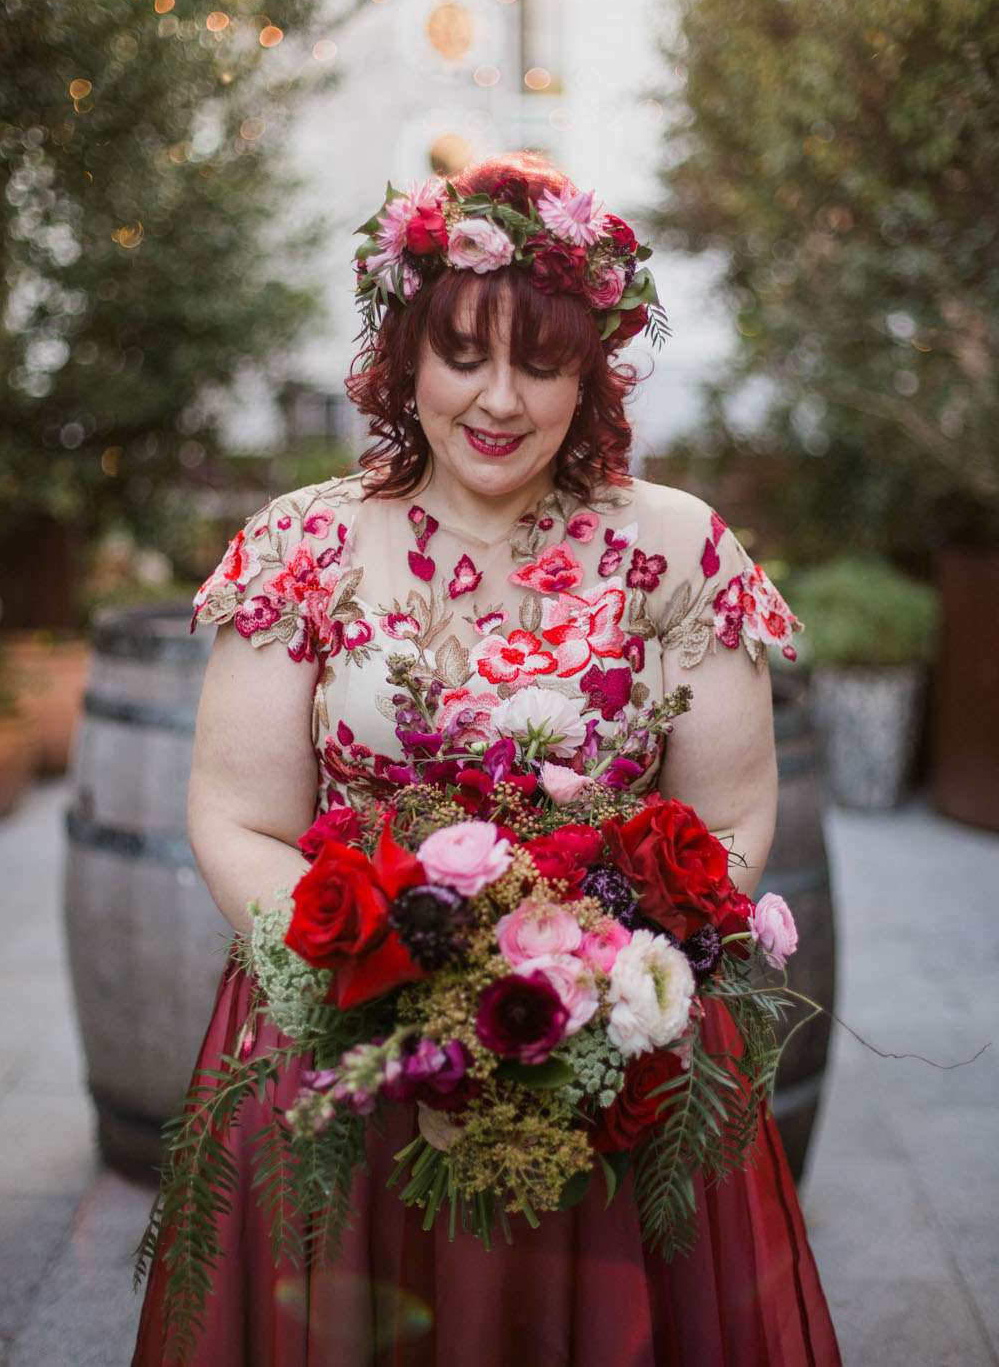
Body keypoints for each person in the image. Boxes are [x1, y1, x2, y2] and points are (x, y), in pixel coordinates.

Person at [133, 151, 841, 1366]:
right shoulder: (302, 542)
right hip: (349, 1043)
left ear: (591, 371)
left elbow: (728, 822)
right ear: (406, 356)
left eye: (541, 364)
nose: (499, 400)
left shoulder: (680, 547)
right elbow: (237, 819)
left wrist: (593, 995)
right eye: (464, 355)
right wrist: (393, 995)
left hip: (613, 1062)